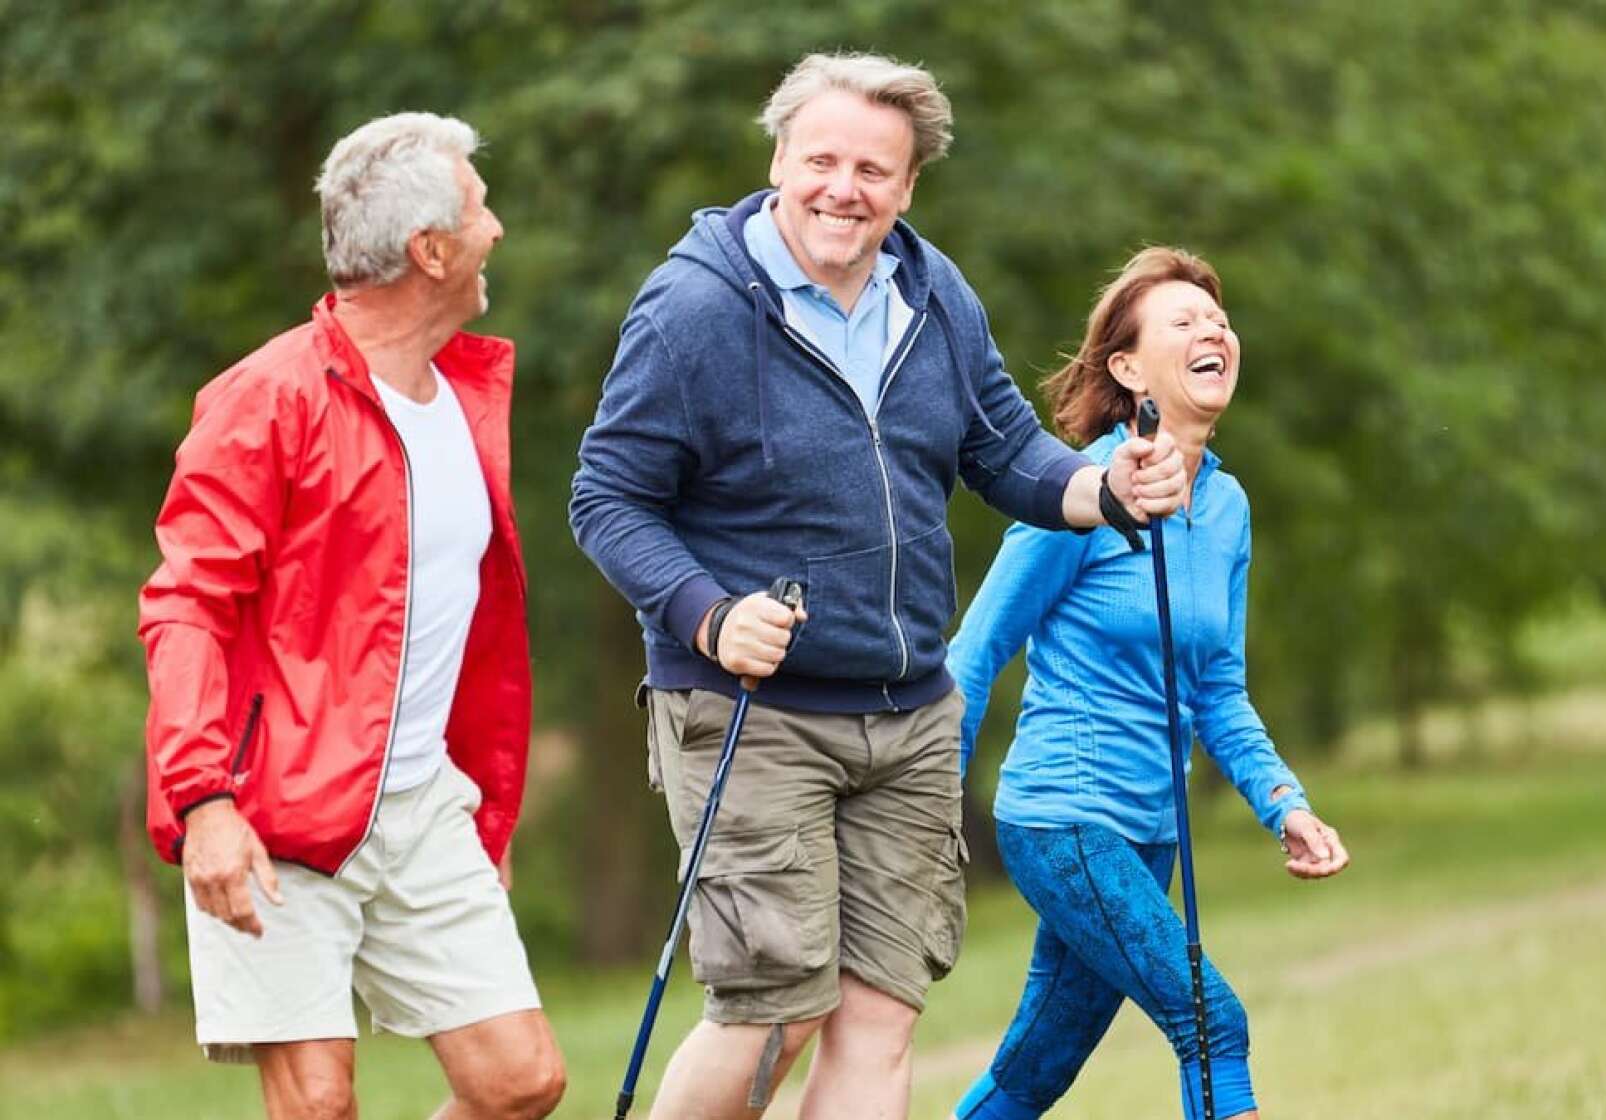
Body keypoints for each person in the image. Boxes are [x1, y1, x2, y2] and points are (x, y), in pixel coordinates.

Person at [569, 52, 1186, 1120]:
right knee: (773, 1012)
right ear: (778, 160)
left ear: (907, 186)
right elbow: (607, 498)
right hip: (751, 710)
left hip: (907, 715)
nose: (842, 188)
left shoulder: (932, 293)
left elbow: (1005, 453)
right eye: (822, 160)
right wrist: (707, 615)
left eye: (873, 169)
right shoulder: (695, 309)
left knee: (878, 1013)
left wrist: (1108, 486)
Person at [138, 112, 564, 1119]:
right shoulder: (268, 398)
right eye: (479, 208)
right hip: (273, 805)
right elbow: (187, 603)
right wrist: (204, 800)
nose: (496, 228)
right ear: (430, 249)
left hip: (421, 804)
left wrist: (481, 804)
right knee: (318, 1104)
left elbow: (453, 624)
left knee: (520, 1083)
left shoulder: (464, 394)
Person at [948, 247, 1351, 1120]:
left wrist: (1285, 802)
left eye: (1219, 320)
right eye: (1184, 321)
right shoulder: (1077, 493)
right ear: (1128, 368)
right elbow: (973, 654)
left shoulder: (1229, 508)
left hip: (1150, 830)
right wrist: (920, 808)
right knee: (1212, 1021)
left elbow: (1219, 692)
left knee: (1037, 1066)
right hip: (1064, 817)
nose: (1213, 329)